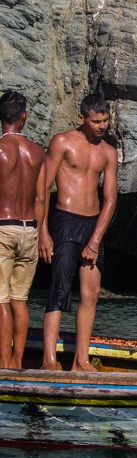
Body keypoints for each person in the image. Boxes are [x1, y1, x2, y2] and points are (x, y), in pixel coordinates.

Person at [39, 94, 118, 372]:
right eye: (96, 121)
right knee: (59, 289)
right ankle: (49, 359)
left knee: (91, 292)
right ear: (82, 118)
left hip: (92, 223)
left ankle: (80, 360)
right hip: (65, 220)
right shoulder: (62, 142)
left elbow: (110, 199)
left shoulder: (108, 152)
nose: (102, 126)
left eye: (105, 120)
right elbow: (43, 189)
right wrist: (43, 232)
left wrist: (95, 240)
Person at [0, 91, 47, 369]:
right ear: (24, 116)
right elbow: (41, 198)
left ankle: (4, 365)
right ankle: (18, 362)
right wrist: (41, 233)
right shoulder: (38, 152)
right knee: (20, 300)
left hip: (3, 228)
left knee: (1, 301)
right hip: (29, 229)